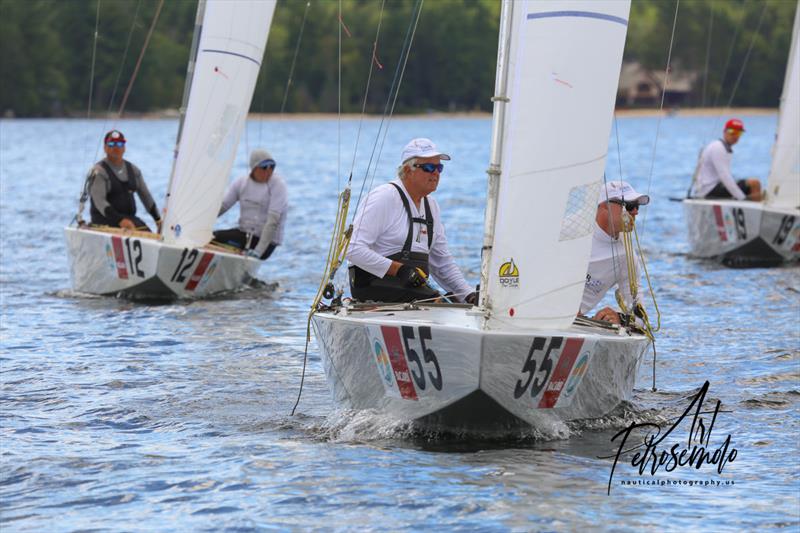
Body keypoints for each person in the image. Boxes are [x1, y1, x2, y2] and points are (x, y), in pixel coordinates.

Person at [347, 138, 476, 304]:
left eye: (439, 167)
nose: (435, 173)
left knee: (457, 306)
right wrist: (399, 270)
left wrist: (468, 295)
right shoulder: (384, 197)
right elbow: (352, 249)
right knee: (438, 303)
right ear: (407, 171)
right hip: (372, 287)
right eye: (429, 167)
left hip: (411, 291)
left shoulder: (432, 207)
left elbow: (442, 263)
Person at [580, 181, 650, 325]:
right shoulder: (572, 231)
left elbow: (641, 319)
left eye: (637, 206)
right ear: (605, 206)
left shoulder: (627, 257)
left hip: (571, 325)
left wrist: (620, 319)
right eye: (629, 206)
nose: (635, 212)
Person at [213, 149, 288, 260]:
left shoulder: (278, 186)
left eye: (272, 167)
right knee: (211, 237)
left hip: (266, 243)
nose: (268, 171)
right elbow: (222, 207)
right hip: (244, 234)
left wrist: (258, 251)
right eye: (264, 167)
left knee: (215, 238)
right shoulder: (241, 183)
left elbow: (273, 222)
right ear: (254, 168)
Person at [88, 130, 161, 232]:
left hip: (129, 220)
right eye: (111, 144)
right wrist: (120, 220)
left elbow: (146, 197)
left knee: (149, 233)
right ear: (105, 148)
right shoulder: (99, 171)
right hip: (103, 221)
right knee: (130, 228)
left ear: (124, 148)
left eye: (119, 144)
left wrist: (158, 219)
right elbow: (99, 202)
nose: (116, 147)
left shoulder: (134, 170)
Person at [691, 118, 762, 201]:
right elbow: (725, 177)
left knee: (754, 189)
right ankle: (751, 209)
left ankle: (750, 205)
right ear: (724, 132)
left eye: (739, 132)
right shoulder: (718, 148)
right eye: (732, 131)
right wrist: (742, 198)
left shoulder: (722, 147)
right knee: (754, 184)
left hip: (708, 188)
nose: (735, 135)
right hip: (709, 190)